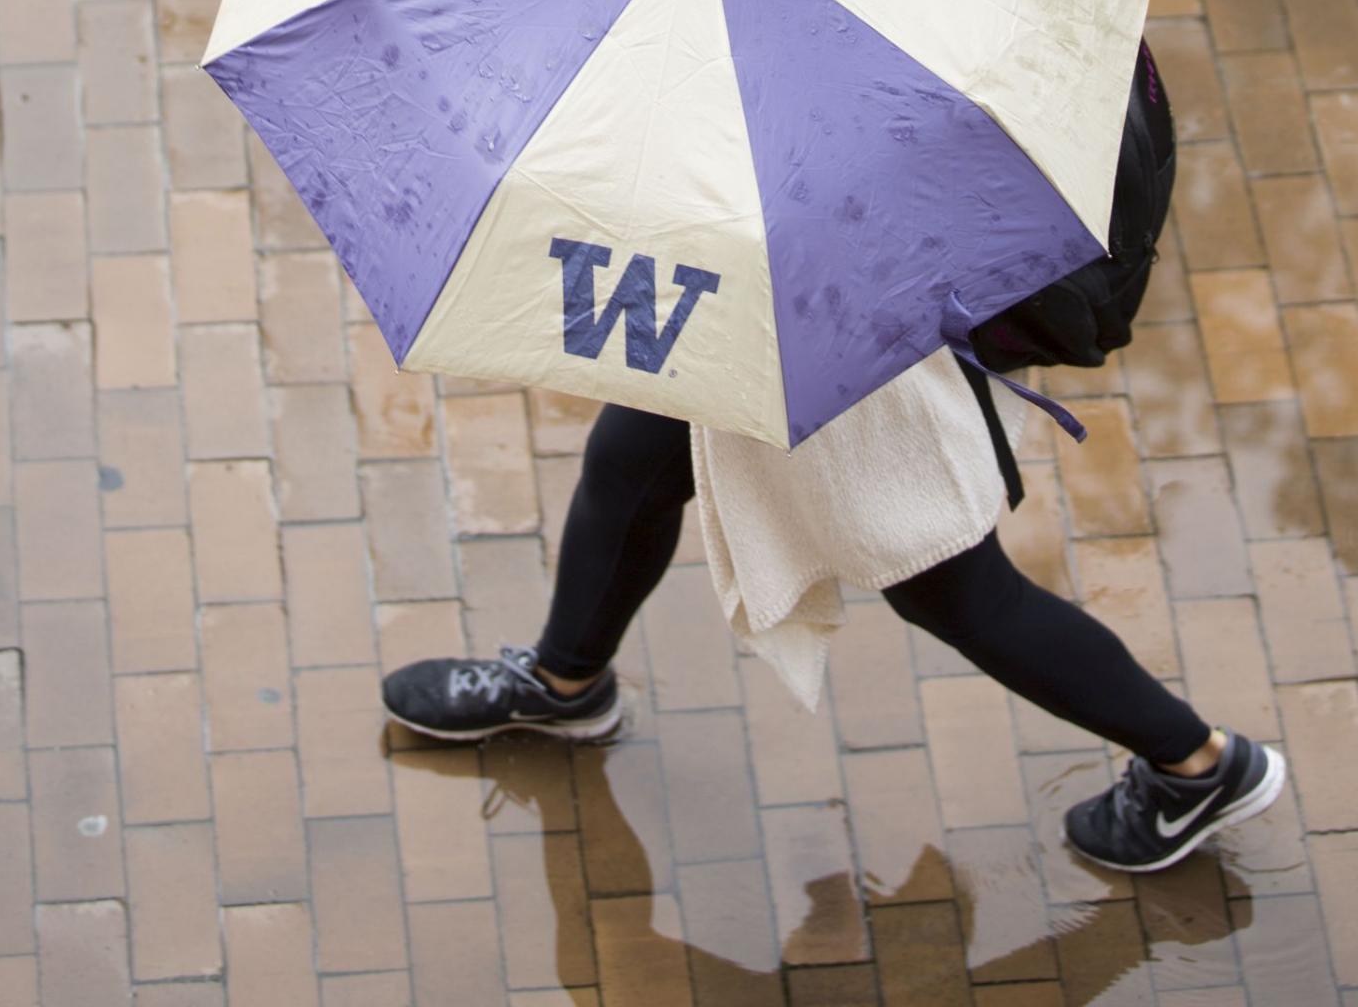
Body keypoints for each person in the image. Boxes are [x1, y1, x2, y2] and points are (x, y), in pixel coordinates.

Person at [382, 60, 1288, 877]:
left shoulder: (855, 71)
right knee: (631, 462)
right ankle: (565, 682)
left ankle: (1196, 764)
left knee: (951, 588)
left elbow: (826, 192)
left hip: (847, 321)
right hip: (802, 282)